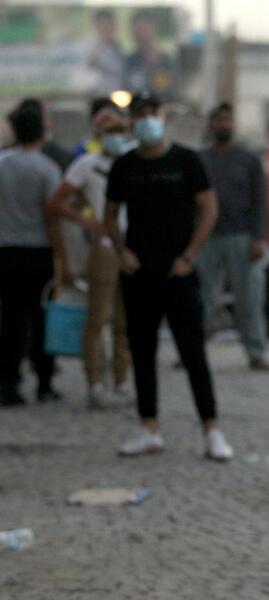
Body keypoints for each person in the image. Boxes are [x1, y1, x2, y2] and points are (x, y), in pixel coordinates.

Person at [104, 91, 233, 460]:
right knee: (142, 351)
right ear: (132, 120)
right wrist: (121, 251)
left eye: (153, 112)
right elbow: (110, 214)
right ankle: (148, 427)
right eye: (141, 113)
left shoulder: (186, 161)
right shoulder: (124, 165)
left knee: (193, 352)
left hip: (179, 272)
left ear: (162, 116)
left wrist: (191, 254)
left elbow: (209, 208)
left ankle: (212, 430)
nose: (147, 118)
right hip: (138, 272)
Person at [46, 108, 132, 409]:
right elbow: (58, 201)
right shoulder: (88, 165)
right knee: (97, 316)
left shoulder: (133, 162)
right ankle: (94, 381)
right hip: (106, 244)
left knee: (126, 319)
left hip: (131, 246)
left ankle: (122, 380)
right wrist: (87, 222)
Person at [198, 102, 269, 370]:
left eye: (226, 120)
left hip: (242, 236)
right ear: (210, 125)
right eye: (217, 120)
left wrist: (259, 238)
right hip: (206, 238)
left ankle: (256, 353)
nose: (222, 125)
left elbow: (261, 201)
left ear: (233, 124)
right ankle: (192, 352)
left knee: (249, 298)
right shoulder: (200, 160)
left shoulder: (248, 159)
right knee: (203, 299)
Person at [0, 107, 64, 406]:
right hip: (38, 252)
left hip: (6, 251)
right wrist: (63, 258)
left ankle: (9, 382)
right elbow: (52, 217)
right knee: (42, 318)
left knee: (11, 320)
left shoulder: (2, 165)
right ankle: (45, 380)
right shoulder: (47, 169)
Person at [123, 10, 176, 99]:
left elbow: (174, 90)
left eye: (144, 29)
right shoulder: (130, 61)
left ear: (154, 28)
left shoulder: (167, 60)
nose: (141, 34)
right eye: (138, 30)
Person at [88, 9, 125, 95]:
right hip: (99, 95)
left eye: (109, 24)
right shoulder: (92, 48)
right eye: (103, 24)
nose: (106, 28)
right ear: (97, 26)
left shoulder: (119, 47)